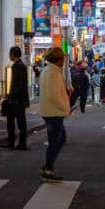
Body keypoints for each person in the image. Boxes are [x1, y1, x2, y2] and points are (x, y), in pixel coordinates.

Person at [39, 47, 70, 183]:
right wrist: (65, 107)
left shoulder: (48, 70)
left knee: (60, 139)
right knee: (55, 141)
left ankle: (48, 166)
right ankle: (48, 170)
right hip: (54, 112)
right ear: (58, 59)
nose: (63, 60)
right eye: (62, 58)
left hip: (50, 110)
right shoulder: (53, 73)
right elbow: (54, 95)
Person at [1, 46, 29, 151]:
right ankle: (12, 142)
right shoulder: (19, 65)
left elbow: (19, 84)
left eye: (10, 54)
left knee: (19, 121)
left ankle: (20, 143)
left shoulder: (19, 66)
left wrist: (11, 95)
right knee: (12, 120)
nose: (9, 56)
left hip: (17, 99)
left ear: (12, 54)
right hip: (17, 98)